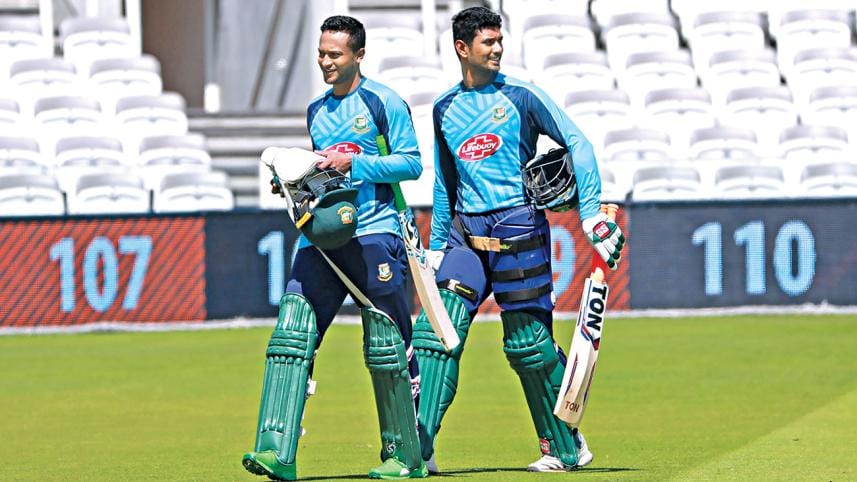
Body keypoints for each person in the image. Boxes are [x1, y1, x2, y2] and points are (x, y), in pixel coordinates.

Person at [412, 6, 625, 473]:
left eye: (499, 41)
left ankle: (565, 446)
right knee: (435, 334)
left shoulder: (522, 97)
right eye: (488, 42)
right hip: (466, 236)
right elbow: (445, 182)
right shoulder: (444, 107)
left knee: (528, 346)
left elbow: (579, 144)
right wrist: (437, 246)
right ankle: (418, 448)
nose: (497, 49)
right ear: (462, 48)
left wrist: (590, 213)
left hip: (517, 229)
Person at [242, 15, 428, 481]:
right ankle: (276, 452)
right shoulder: (316, 110)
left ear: (358, 55)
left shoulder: (384, 102)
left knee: (387, 345)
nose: (325, 61)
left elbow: (411, 164)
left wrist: (354, 163)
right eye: (321, 53)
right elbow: (323, 174)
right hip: (322, 236)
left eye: (335, 54)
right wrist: (294, 183)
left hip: (376, 232)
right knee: (292, 331)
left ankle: (407, 455)